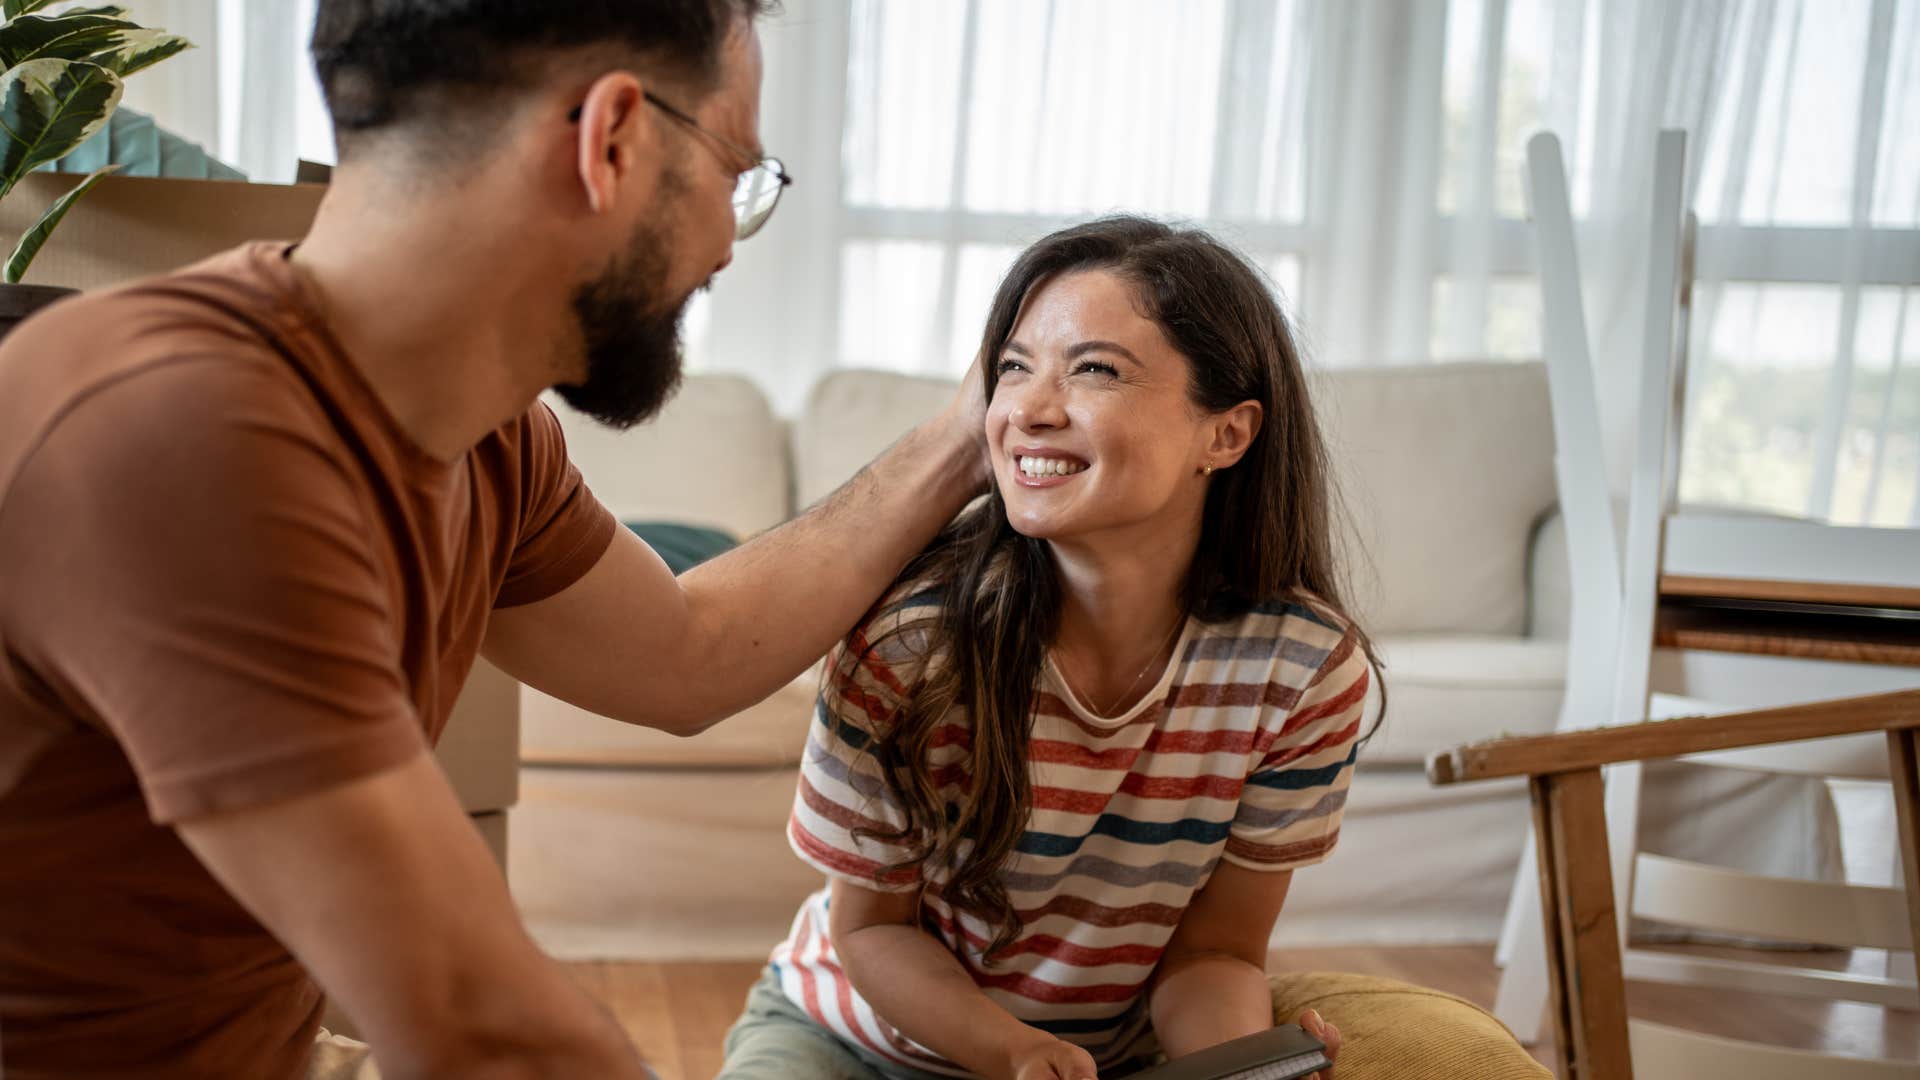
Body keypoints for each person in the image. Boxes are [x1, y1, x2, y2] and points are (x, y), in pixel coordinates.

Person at [0, 2, 987, 1077]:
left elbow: (689, 655)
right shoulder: (183, 434)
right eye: (733, 176)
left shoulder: (485, 435)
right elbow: (479, 1029)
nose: (723, 249)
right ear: (610, 140)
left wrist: (964, 436)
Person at [717, 217, 1382, 1080]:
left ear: (1227, 434)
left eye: (1095, 369)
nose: (1028, 410)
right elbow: (871, 929)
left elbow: (1214, 954)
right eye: (1012, 368)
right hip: (853, 1038)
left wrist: (1241, 1068)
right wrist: (1017, 1053)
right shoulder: (912, 645)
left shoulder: (1302, 670)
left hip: (1094, 1061)